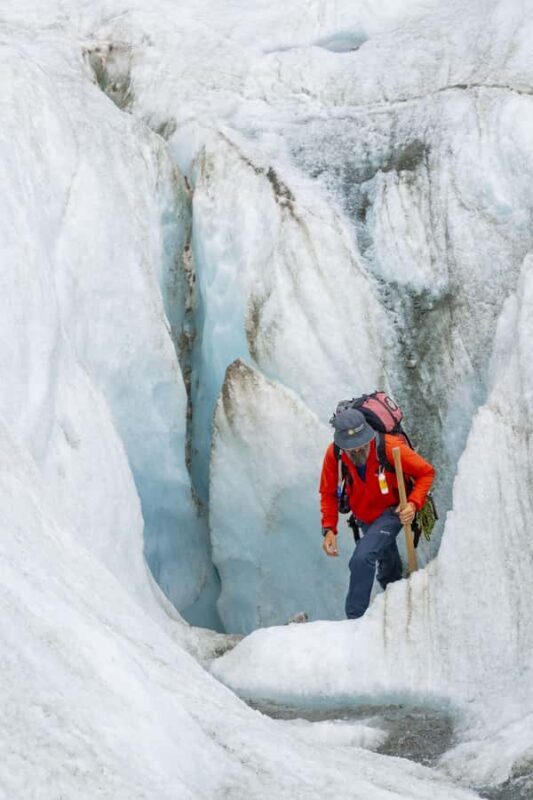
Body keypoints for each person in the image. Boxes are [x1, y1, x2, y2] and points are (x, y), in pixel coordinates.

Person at [319, 407, 435, 619]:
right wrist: (329, 529)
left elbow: (426, 472)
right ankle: (397, 597)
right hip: (364, 515)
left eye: (361, 444)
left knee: (362, 558)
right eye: (351, 448)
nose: (357, 450)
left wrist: (413, 503)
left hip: (392, 511)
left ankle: (354, 619)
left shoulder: (389, 447)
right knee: (387, 561)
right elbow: (328, 492)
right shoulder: (335, 454)